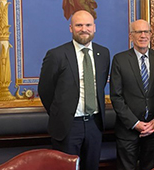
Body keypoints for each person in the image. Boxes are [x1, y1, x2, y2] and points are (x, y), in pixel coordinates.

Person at [38, 10, 110, 170]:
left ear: (94, 28)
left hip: (94, 124)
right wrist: (61, 112)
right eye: (79, 25)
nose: (84, 29)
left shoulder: (103, 53)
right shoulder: (56, 55)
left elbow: (101, 84)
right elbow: (45, 90)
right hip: (68, 126)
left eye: (88, 25)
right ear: (71, 28)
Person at [110, 19, 154, 170]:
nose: (143, 35)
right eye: (138, 32)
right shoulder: (119, 60)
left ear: (150, 34)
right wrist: (136, 124)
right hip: (128, 130)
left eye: (146, 32)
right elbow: (116, 97)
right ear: (131, 36)